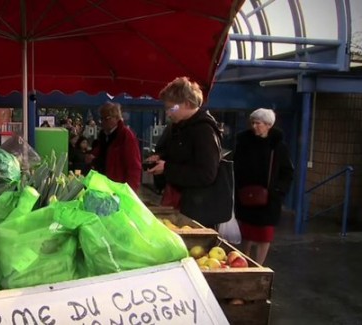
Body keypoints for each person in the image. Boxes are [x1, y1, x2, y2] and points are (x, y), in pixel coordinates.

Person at [147, 77, 222, 226]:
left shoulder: (204, 130)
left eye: (172, 108)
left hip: (195, 211)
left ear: (188, 103)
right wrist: (160, 157)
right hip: (180, 203)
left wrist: (167, 168)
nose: (168, 113)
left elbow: (207, 174)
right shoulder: (178, 127)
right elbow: (179, 155)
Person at [234, 108, 294, 265]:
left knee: (264, 235)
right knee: (246, 234)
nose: (254, 126)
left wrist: (278, 191)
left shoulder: (278, 147)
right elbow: (235, 166)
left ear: (268, 125)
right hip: (246, 196)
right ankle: (243, 263)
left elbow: (287, 172)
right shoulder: (243, 143)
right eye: (252, 122)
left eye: (258, 123)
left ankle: (258, 266)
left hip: (269, 199)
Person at [86, 101, 141, 191]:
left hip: (118, 188)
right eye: (101, 118)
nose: (102, 122)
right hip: (104, 186)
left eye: (106, 118)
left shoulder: (126, 135)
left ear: (116, 118)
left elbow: (134, 165)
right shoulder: (104, 135)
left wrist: (130, 191)